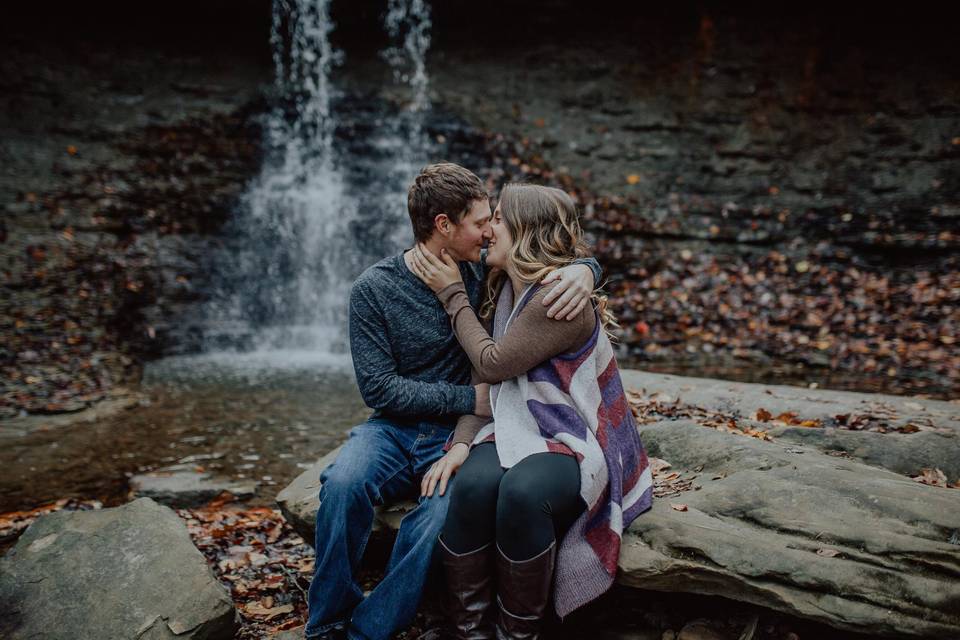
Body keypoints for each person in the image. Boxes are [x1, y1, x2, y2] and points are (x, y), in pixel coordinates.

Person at [304, 164, 603, 640]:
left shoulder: (484, 273)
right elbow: (379, 389)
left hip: (457, 433)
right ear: (444, 225)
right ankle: (326, 622)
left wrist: (586, 271)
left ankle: (370, 630)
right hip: (392, 428)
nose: (489, 231)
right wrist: (472, 396)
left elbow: (549, 257)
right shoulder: (372, 290)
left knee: (437, 516)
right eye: (480, 221)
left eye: (492, 220)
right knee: (341, 485)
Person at [409, 183, 654, 640]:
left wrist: (452, 295)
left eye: (498, 219)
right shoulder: (500, 286)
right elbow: (485, 387)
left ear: (526, 231)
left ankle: (516, 634)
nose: (487, 231)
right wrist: (462, 443)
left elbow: (492, 363)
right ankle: (469, 632)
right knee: (474, 485)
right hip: (515, 426)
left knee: (521, 493)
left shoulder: (555, 297)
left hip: (570, 435)